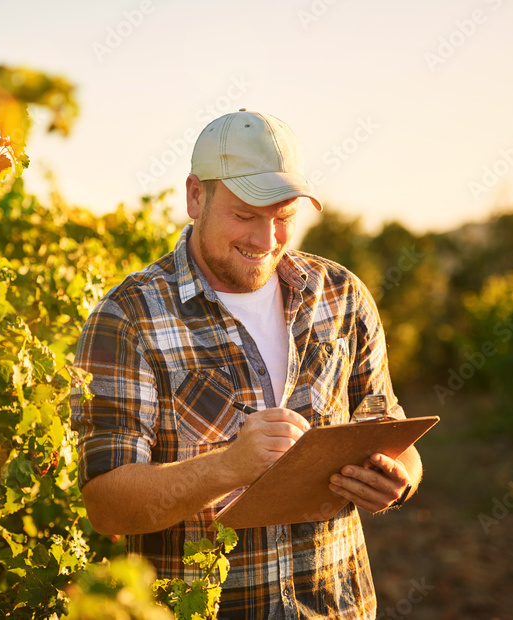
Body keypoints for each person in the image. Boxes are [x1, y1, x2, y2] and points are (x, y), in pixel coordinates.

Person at [70, 109, 423, 618]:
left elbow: (389, 428)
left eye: (283, 218)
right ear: (196, 196)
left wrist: (399, 478)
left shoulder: (341, 297)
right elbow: (107, 505)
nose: (266, 240)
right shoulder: (129, 317)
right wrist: (228, 466)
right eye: (244, 215)